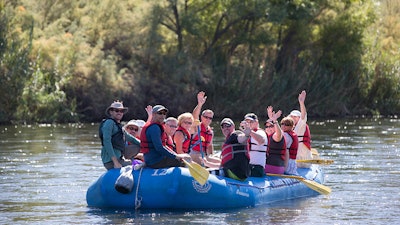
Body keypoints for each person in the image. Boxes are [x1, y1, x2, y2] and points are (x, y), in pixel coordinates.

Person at [100, 101, 138, 170]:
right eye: (117, 110)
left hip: (119, 158)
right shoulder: (109, 123)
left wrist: (147, 144)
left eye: (122, 111)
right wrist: (115, 162)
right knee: (134, 165)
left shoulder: (118, 126)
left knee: (138, 146)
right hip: (111, 162)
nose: (119, 112)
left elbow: (131, 138)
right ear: (111, 112)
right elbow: (107, 142)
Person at [190, 91, 221, 166]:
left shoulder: (210, 131)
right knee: (203, 160)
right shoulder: (197, 126)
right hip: (194, 153)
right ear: (201, 117)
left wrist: (212, 155)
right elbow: (194, 116)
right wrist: (200, 104)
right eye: (206, 117)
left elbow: (210, 145)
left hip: (204, 155)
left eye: (210, 118)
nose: (208, 119)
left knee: (221, 162)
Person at [290, 90, 313, 168]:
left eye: (295, 117)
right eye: (291, 116)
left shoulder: (301, 125)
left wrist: (301, 103)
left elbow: (303, 115)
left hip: (304, 159)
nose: (293, 118)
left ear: (299, 118)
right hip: (294, 159)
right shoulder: (287, 127)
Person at [243, 113, 268, 177]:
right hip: (247, 166)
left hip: (257, 167)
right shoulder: (245, 133)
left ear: (256, 122)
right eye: (247, 122)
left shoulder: (260, 132)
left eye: (251, 122)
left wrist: (250, 131)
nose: (248, 124)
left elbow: (261, 140)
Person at [264, 106, 288, 174]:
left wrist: (275, 121)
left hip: (274, 167)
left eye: (271, 126)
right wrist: (271, 118)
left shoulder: (276, 136)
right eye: (266, 127)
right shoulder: (266, 136)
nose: (268, 128)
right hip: (266, 166)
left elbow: (278, 133)